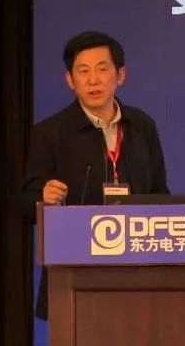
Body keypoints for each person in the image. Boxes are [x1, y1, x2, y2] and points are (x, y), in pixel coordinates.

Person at [24, 30, 169, 318]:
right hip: (74, 274)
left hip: (139, 271)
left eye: (102, 69)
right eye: (83, 71)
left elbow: (160, 193)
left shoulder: (142, 126)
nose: (93, 80)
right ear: (70, 80)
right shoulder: (50, 133)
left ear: (120, 75)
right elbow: (25, 204)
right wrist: (43, 198)